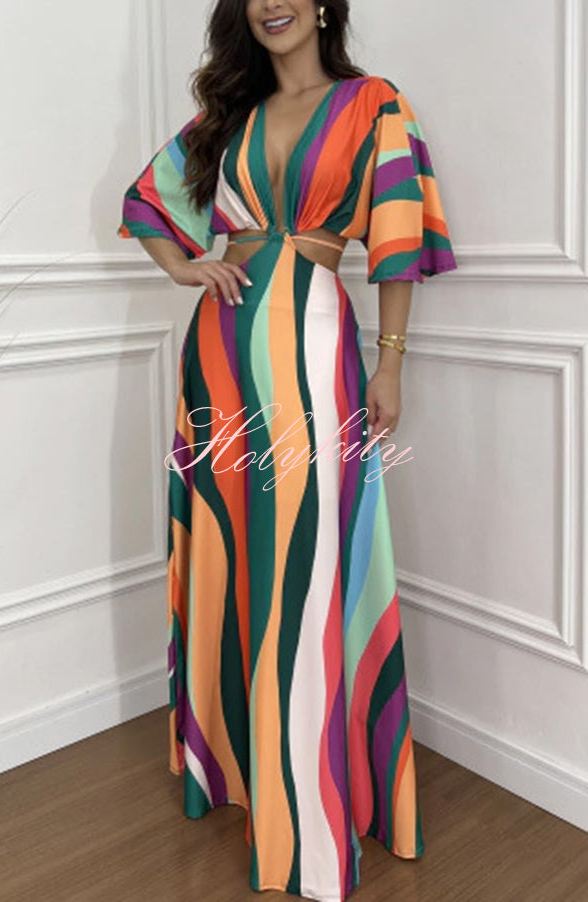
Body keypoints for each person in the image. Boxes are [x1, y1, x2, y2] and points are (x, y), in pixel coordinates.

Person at [117, 1, 457, 899]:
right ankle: (237, 766)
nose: (271, 2)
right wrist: (183, 265)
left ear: (322, 6)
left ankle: (307, 808)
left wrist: (391, 363)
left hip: (312, 349)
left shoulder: (374, 103)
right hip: (219, 356)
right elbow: (146, 203)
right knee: (234, 554)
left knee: (303, 565)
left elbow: (398, 239)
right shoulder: (228, 113)